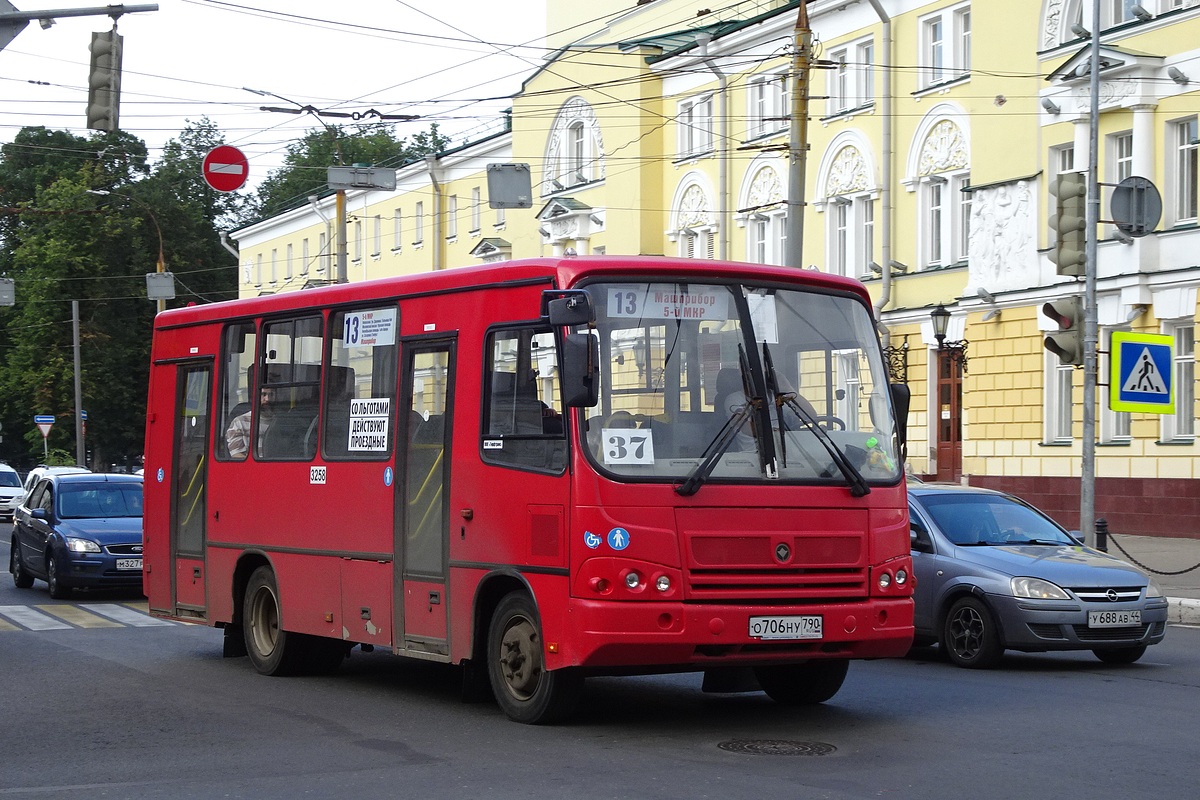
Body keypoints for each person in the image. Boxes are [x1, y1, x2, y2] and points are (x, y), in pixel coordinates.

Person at [226, 387, 276, 459]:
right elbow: (236, 455)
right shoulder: (239, 422)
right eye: (263, 394)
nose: (267, 399)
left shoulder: (278, 422)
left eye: (271, 395)